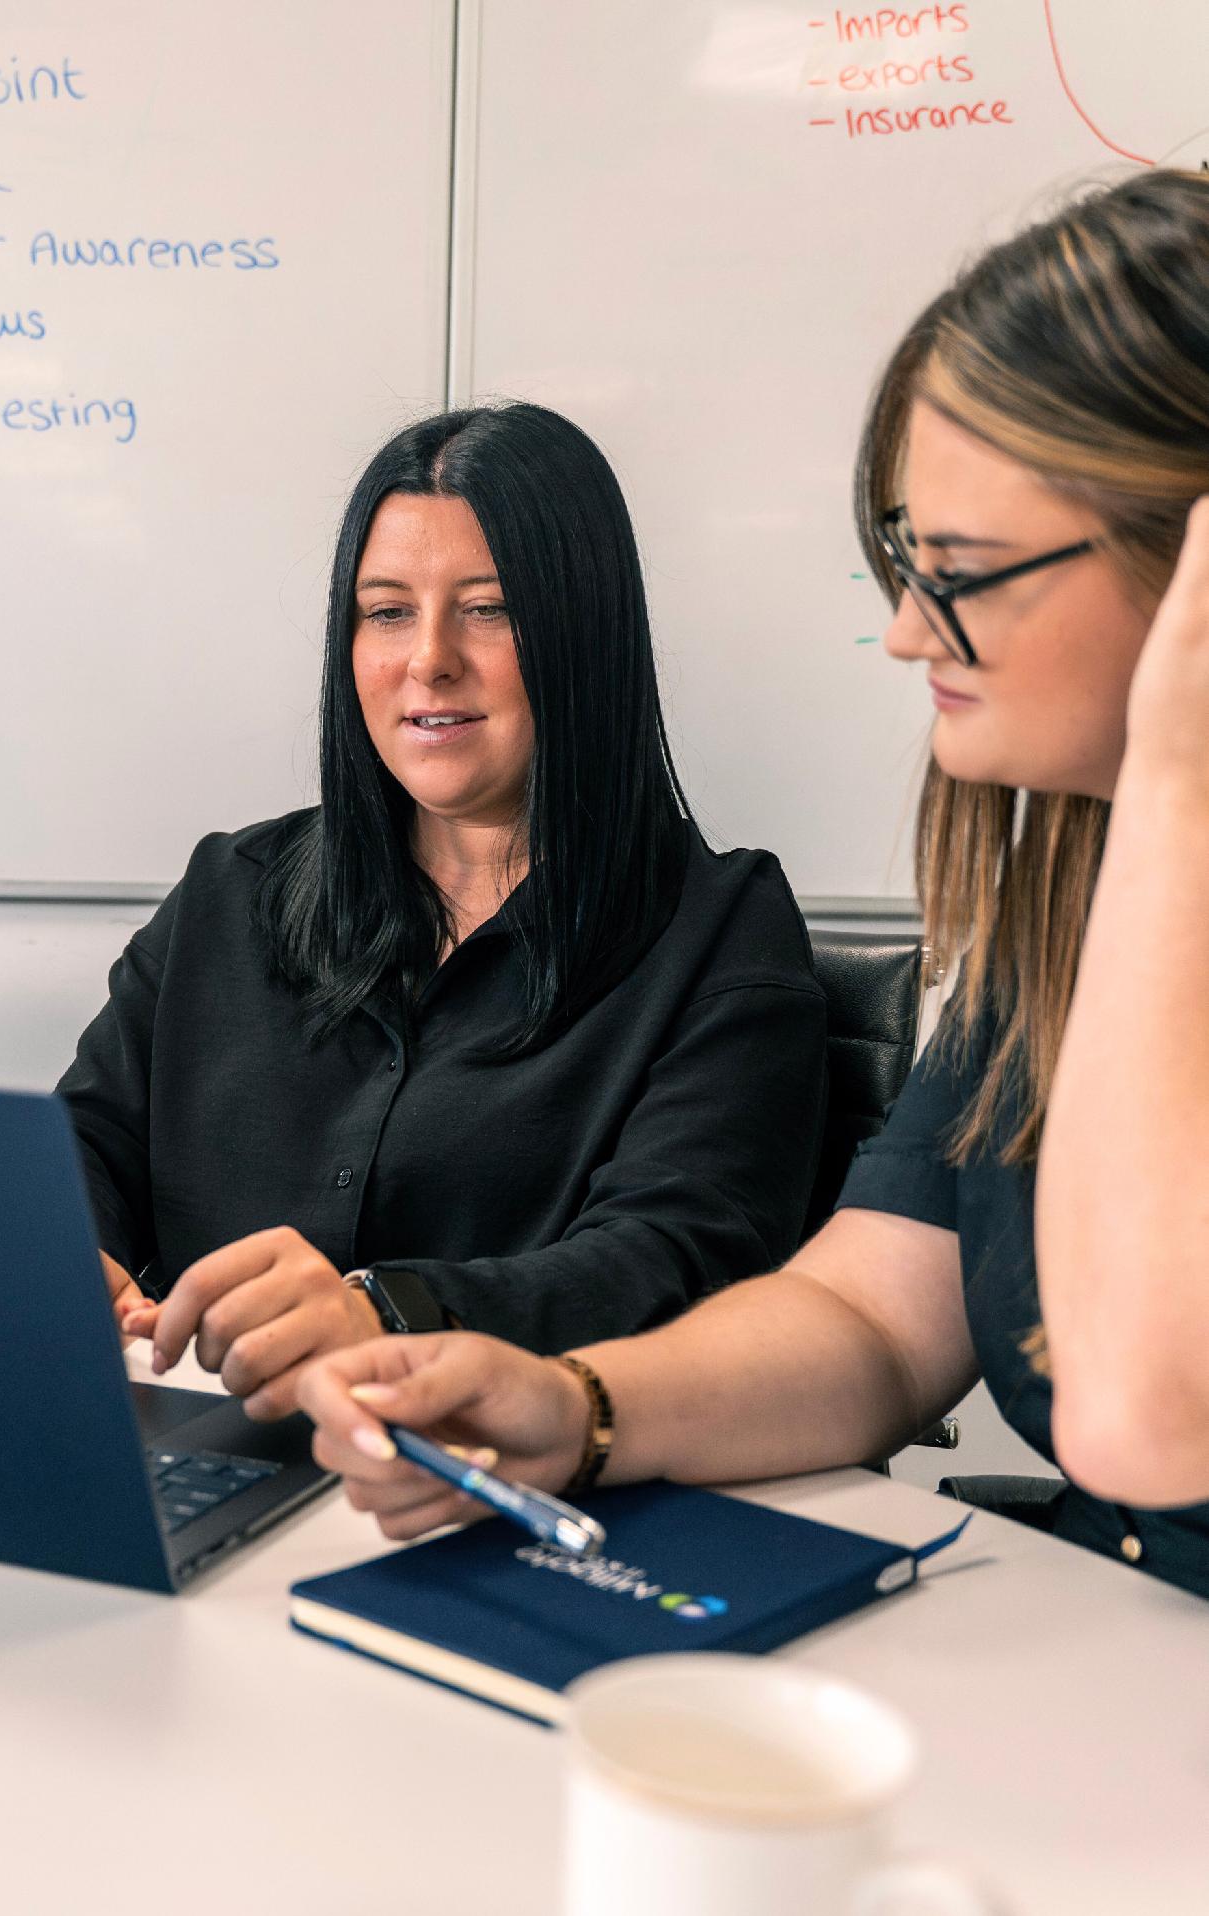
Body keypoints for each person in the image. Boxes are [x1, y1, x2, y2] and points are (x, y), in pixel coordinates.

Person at [299, 170, 1209, 1600]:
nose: (910, 633)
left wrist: (1181, 777)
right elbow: (872, 1321)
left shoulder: (1147, 857)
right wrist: (581, 1411)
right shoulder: (1068, 907)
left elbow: (1144, 1415)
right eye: (906, 562)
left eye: (961, 570)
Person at [59, 402, 827, 1420]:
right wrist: (69, 1252)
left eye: (488, 608)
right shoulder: (228, 891)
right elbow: (81, 1139)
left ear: (581, 632)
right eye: (384, 610)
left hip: (505, 1487)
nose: (426, 659)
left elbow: (670, 1260)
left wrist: (382, 1313)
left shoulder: (718, 933)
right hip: (198, 1457)